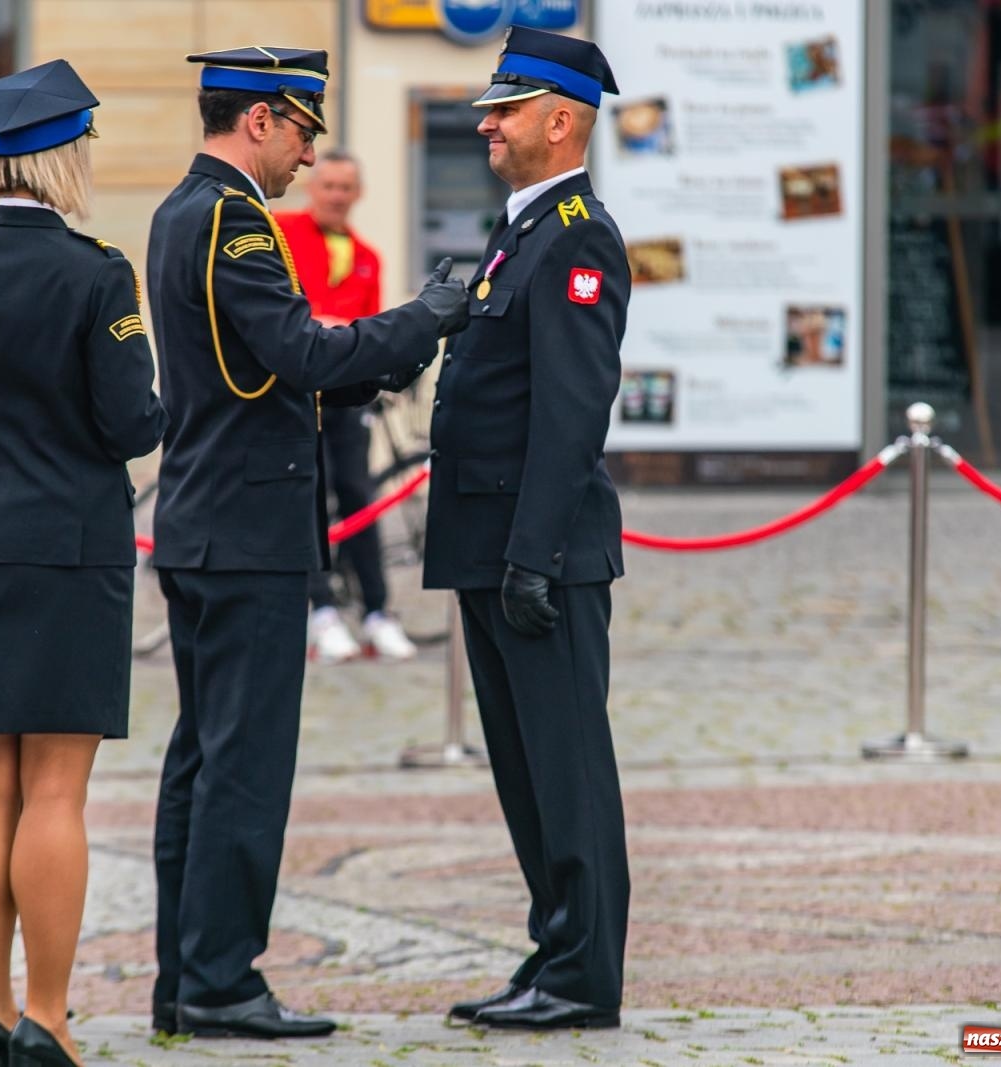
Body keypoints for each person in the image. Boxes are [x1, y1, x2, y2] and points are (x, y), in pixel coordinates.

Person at [146, 45, 468, 1040]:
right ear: (257, 122)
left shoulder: (177, 209)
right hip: (243, 525)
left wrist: (361, 361)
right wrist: (424, 318)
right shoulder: (232, 219)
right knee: (241, 761)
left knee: (202, 755)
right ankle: (220, 979)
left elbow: (280, 366)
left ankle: (187, 969)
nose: (303, 153)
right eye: (298, 131)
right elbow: (298, 351)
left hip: (209, 518)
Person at [0, 59, 166, 1067]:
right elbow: (130, 421)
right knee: (55, 791)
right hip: (67, 545)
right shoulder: (97, 272)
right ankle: (48, 1019)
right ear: (64, 159)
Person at [422, 26, 631, 1031]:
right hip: (490, 544)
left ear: (560, 120)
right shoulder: (521, 230)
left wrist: (532, 555)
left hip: (534, 551)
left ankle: (586, 975)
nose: (487, 123)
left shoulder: (578, 233)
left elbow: (571, 411)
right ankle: (553, 946)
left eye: (505, 109)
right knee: (521, 767)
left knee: (565, 765)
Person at [275, 150, 419, 665]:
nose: (336, 195)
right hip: (295, 396)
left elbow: (369, 331)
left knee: (359, 494)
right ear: (312, 189)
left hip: (345, 395)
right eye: (328, 185)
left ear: (357, 194)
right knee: (309, 495)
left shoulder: (367, 256)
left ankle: (378, 611)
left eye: (345, 187)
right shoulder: (281, 232)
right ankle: (322, 610)